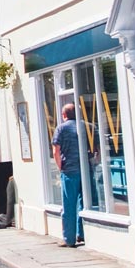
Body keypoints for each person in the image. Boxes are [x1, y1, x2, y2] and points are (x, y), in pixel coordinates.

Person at [52, 103, 86, 248]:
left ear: (64, 115)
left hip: (69, 171)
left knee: (69, 205)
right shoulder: (87, 126)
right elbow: (96, 150)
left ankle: (69, 239)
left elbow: (56, 151)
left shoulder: (61, 128)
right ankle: (82, 234)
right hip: (86, 169)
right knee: (85, 203)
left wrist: (61, 167)